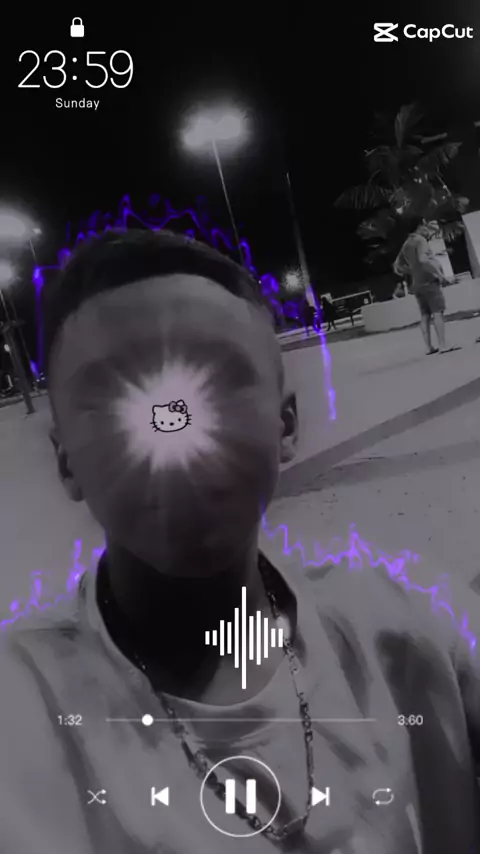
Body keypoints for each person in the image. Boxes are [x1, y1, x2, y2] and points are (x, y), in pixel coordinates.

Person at [1, 229, 480, 853]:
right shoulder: (21, 707)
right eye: (114, 393)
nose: (170, 427)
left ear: (286, 424)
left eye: (217, 378)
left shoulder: (408, 627)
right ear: (65, 461)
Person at [394, 218, 460, 355]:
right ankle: (443, 345)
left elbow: (397, 266)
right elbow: (423, 259)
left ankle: (428, 347)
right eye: (424, 225)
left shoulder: (406, 244)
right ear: (419, 226)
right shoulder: (420, 240)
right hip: (429, 281)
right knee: (437, 312)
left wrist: (412, 271)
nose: (426, 228)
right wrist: (438, 274)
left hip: (417, 284)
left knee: (425, 315)